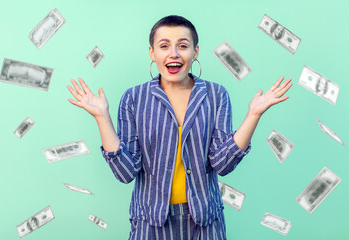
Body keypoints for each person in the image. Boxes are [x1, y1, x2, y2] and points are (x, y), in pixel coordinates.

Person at [67, 15, 292, 240]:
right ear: (152, 53)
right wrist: (102, 117)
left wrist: (254, 115)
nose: (173, 53)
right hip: (150, 222)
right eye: (164, 46)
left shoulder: (216, 95)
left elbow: (222, 165)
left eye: (183, 46)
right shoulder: (133, 98)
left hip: (205, 222)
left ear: (195, 52)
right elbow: (125, 173)